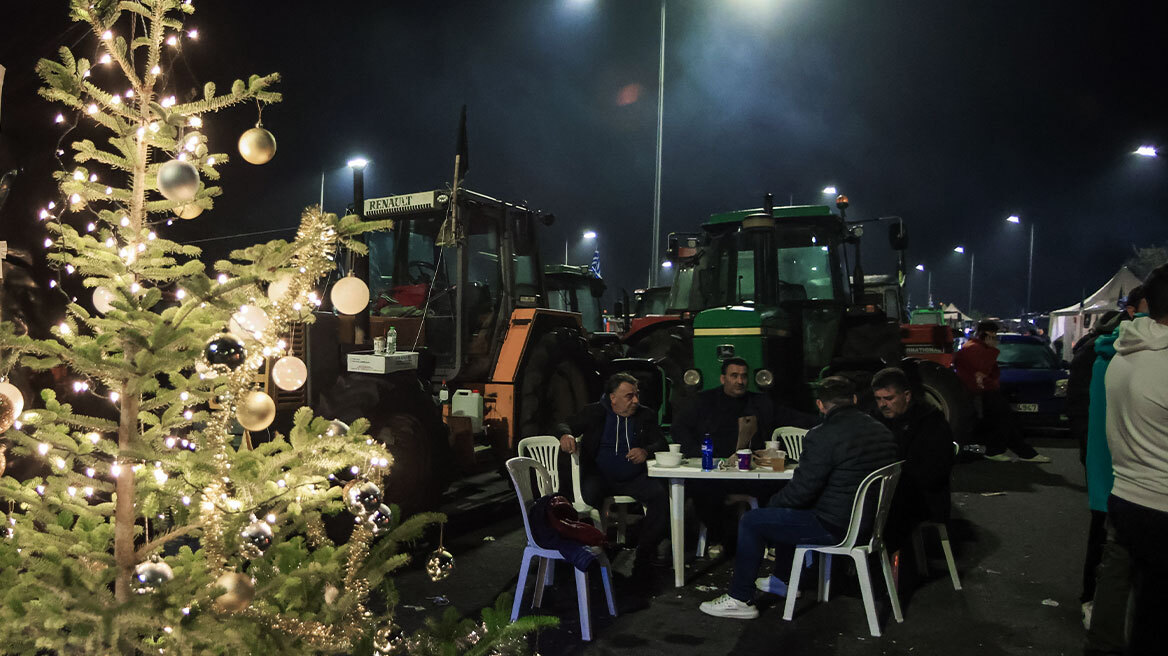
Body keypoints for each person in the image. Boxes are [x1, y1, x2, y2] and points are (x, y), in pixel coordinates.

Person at [698, 376, 898, 618]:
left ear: (821, 405)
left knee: (756, 520)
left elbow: (803, 489)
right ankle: (783, 578)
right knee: (786, 511)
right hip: (873, 524)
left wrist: (771, 506)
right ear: (854, 400)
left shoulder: (824, 434)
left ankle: (740, 598)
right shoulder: (882, 430)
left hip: (837, 526)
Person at [672, 357, 816, 554]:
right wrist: (701, 453)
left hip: (752, 474)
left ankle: (773, 542)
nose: (740, 381)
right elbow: (679, 427)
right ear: (723, 378)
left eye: (743, 376)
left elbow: (793, 417)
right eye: (734, 376)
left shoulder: (760, 403)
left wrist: (829, 418)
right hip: (716, 473)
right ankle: (718, 537)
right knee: (700, 489)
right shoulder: (704, 402)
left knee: (783, 488)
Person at [1098, 264, 1168, 655]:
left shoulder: (1125, 353)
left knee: (1118, 582)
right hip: (1161, 505)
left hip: (1125, 493)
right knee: (1154, 619)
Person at [557, 372, 669, 585]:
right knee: (588, 498)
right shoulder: (594, 412)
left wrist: (646, 451)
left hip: (634, 478)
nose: (635, 400)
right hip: (601, 476)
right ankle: (596, 554)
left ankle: (644, 555)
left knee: (661, 497)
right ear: (613, 398)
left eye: (636, 395)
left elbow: (661, 443)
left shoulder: (645, 415)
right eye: (629, 396)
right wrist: (566, 435)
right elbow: (565, 424)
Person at [1080, 285, 1144, 640]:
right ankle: (1095, 608)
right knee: (1112, 551)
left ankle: (1098, 611)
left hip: (1119, 475)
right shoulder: (1118, 358)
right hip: (1125, 478)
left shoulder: (1112, 356)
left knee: (1113, 551)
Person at [870, 367, 955, 556]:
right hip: (892, 490)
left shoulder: (930, 421)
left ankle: (884, 571)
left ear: (906, 395)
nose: (883, 404)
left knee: (883, 511)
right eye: (879, 399)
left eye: (889, 398)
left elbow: (933, 472)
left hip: (925, 497)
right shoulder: (876, 419)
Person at [952, 320, 1049, 462]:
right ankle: (1019, 453)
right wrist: (991, 349)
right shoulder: (975, 348)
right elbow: (983, 369)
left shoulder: (973, 347)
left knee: (1003, 424)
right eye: (993, 335)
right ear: (985, 334)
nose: (995, 338)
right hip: (983, 392)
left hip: (983, 391)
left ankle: (1014, 452)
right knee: (1004, 422)